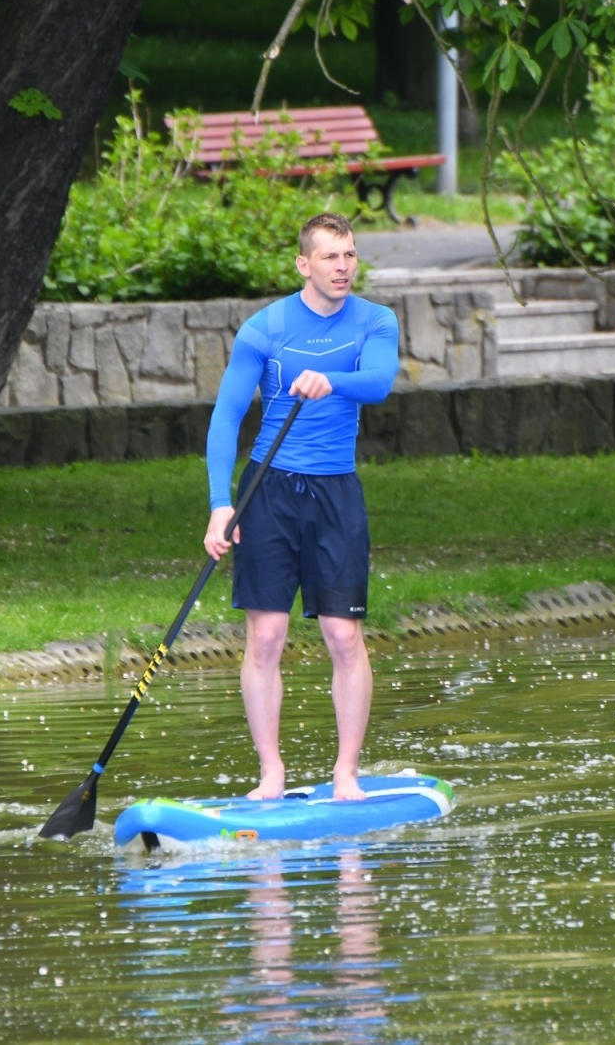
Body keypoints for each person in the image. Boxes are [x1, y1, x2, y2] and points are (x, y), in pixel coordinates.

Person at [203, 212, 401, 802]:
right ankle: (271, 774)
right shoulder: (264, 330)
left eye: (350, 256)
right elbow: (226, 417)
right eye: (331, 257)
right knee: (266, 636)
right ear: (303, 264)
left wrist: (331, 380)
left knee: (343, 634)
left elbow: (381, 381)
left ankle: (346, 773)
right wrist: (219, 505)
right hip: (267, 490)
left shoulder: (375, 321)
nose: (343, 267)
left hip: (335, 491)